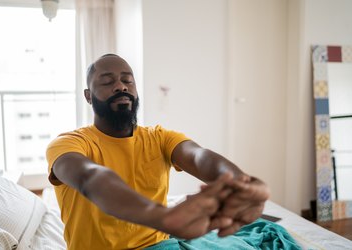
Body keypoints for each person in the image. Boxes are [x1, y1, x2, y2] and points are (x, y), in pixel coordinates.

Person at [46, 54, 270, 250]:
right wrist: (162, 217)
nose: (121, 86)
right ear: (88, 96)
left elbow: (198, 156)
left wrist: (240, 183)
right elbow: (90, 177)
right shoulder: (68, 143)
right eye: (107, 81)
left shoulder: (159, 137)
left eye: (128, 80)